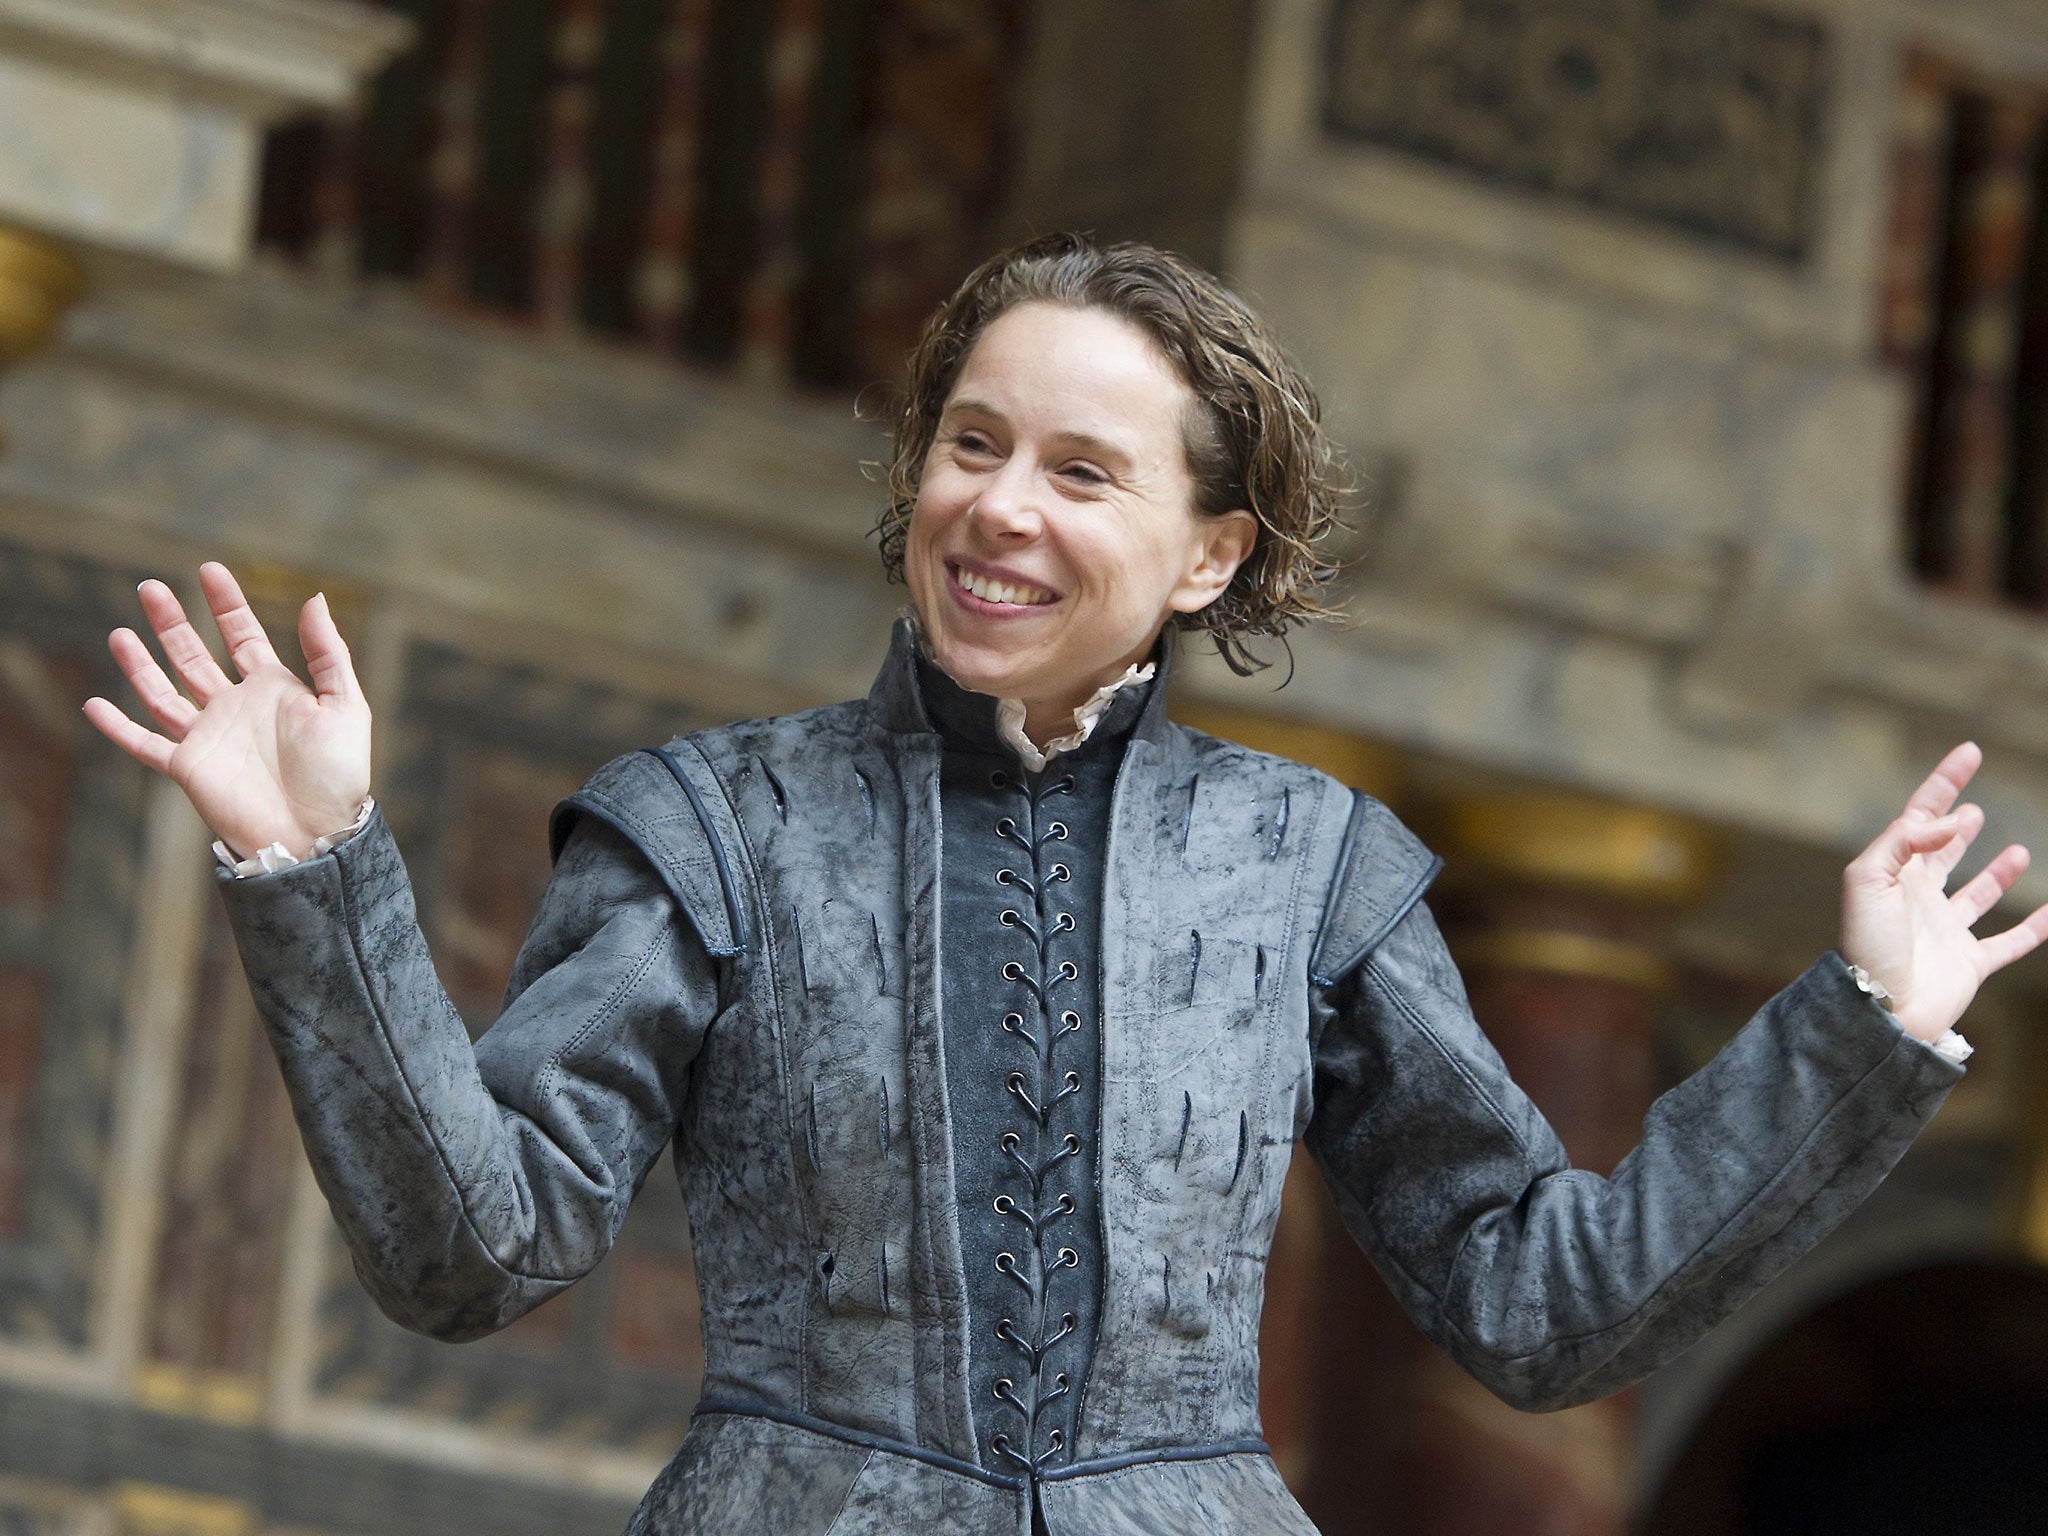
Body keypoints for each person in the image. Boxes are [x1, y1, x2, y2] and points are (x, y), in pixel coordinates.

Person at [82, 235, 2048, 1536]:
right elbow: (469, 1254)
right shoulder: (709, 825)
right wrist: (316, 867)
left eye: (1082, 471)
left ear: (1208, 553)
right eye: (970, 442)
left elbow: (1545, 1308)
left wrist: (1860, 1031)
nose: (997, 506)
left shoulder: (1308, 868)